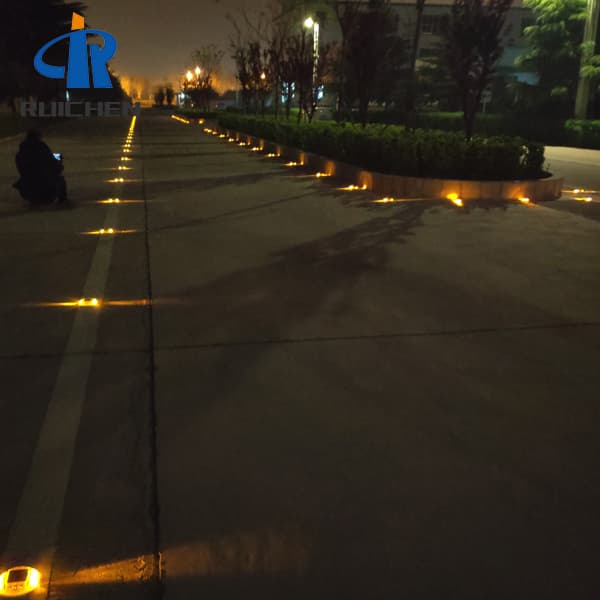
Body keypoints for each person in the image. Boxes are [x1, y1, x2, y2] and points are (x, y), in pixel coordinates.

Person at [14, 129, 71, 208]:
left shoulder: (20, 154)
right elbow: (55, 167)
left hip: (27, 188)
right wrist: (58, 162)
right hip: (46, 186)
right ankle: (62, 200)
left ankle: (35, 199)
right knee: (60, 179)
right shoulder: (42, 149)